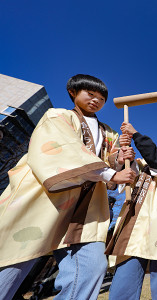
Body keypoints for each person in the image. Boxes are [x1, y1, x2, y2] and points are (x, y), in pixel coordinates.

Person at [0, 74, 137, 300]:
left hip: (86, 211)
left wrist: (121, 157)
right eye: (90, 94)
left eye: (101, 97)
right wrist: (112, 172)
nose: (96, 100)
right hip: (46, 200)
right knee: (13, 264)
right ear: (73, 92)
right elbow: (62, 150)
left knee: (91, 267)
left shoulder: (109, 132)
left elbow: (112, 165)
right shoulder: (57, 116)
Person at [106, 126, 157, 300]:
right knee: (129, 263)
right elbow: (123, 176)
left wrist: (136, 135)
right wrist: (124, 156)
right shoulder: (142, 163)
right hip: (137, 221)